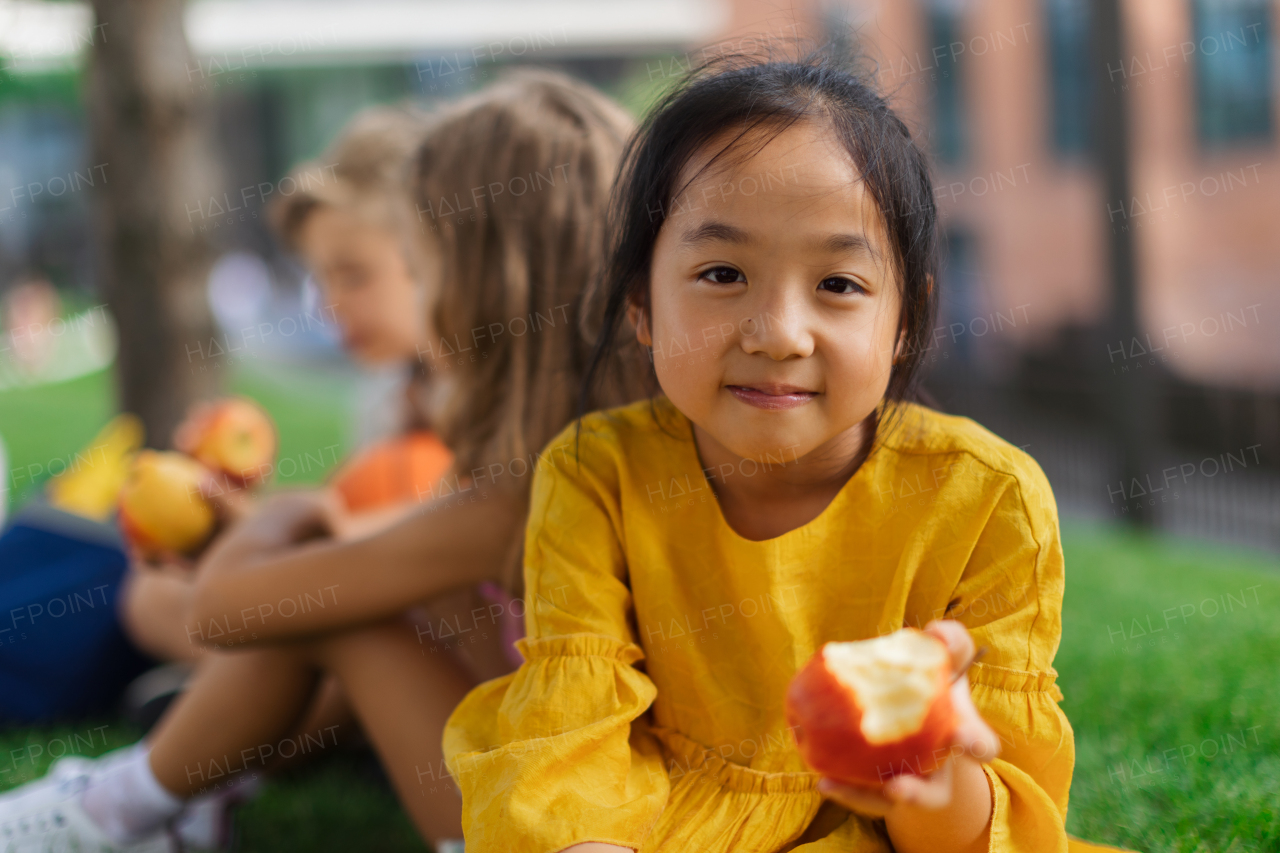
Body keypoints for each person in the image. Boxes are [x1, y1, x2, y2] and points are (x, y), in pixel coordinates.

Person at [441, 51, 1082, 853]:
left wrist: (924, 769)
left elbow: (996, 827)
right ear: (641, 303)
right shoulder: (594, 471)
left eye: (839, 285)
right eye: (721, 272)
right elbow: (570, 734)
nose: (778, 333)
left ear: (906, 321)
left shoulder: (990, 498)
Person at [0, 69, 642, 853]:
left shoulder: (517, 499)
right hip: (600, 799)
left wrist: (279, 515)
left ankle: (114, 809)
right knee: (385, 590)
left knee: (347, 615)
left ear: (473, 291)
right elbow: (382, 543)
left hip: (526, 826)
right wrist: (302, 529)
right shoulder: (625, 455)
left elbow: (225, 607)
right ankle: (189, 793)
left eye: (418, 259)